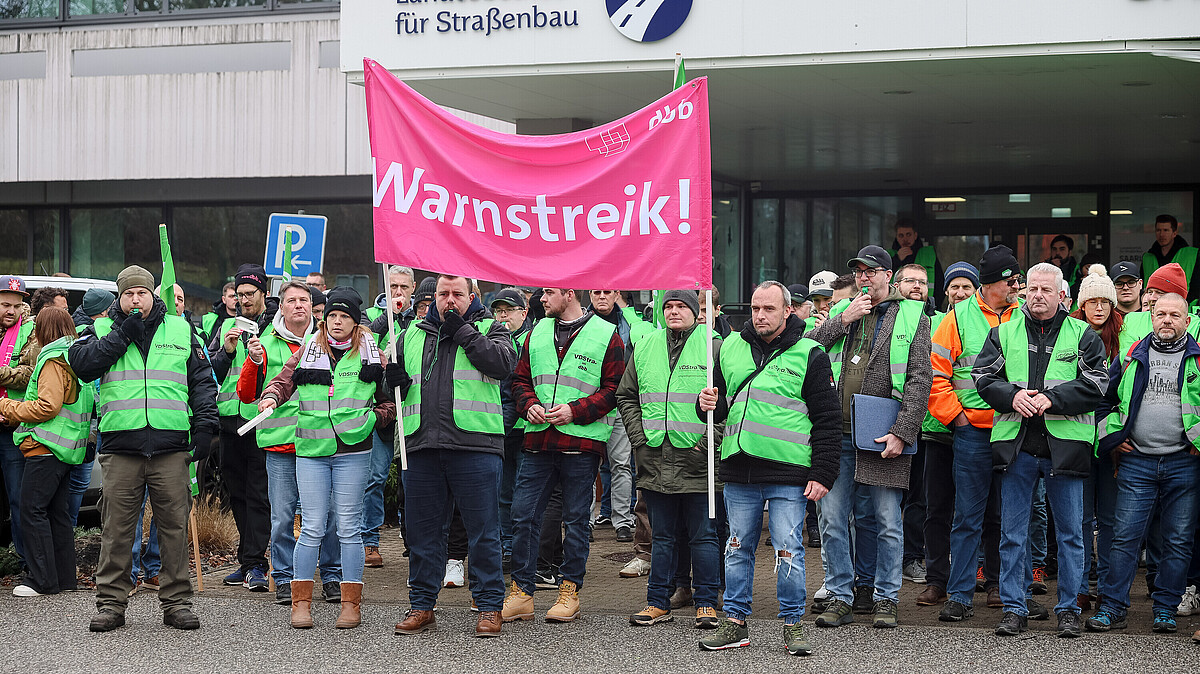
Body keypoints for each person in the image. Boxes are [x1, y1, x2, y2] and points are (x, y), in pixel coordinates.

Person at [69, 264, 218, 632]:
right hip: (122, 448)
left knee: (173, 530)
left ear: (153, 295)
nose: (135, 299)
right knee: (116, 532)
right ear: (119, 297)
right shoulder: (100, 329)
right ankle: (111, 604)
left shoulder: (181, 329)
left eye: (142, 293)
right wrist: (122, 335)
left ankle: (177, 603)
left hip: (170, 446)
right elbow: (83, 366)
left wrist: (205, 426)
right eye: (128, 294)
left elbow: (201, 382)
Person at [696, 281, 840, 655]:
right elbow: (718, 406)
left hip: (788, 471)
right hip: (739, 468)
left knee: (788, 549)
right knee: (736, 547)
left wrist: (823, 473)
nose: (760, 315)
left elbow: (828, 418)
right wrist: (705, 403)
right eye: (755, 308)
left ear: (788, 311)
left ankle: (793, 624)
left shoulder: (810, 353)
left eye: (769, 309)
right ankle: (735, 623)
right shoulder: (730, 347)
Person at [975, 263, 1107, 638]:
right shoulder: (1002, 333)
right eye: (1031, 288)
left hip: (1065, 450)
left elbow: (1098, 382)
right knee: (1012, 535)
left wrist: (1053, 398)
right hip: (1016, 450)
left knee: (1071, 536)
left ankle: (1068, 610)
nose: (1037, 295)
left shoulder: (1083, 335)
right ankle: (1014, 609)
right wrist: (1012, 396)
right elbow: (982, 376)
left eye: (1046, 290)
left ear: (1061, 295)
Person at [807, 248, 932, 630]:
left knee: (887, 521)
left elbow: (920, 378)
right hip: (836, 435)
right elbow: (806, 349)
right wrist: (842, 319)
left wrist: (902, 432)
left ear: (888, 276)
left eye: (871, 271)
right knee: (832, 520)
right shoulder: (843, 311)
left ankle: (886, 598)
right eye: (859, 272)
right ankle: (840, 596)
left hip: (883, 435)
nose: (864, 277)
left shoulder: (911, 315)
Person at [258, 286, 396, 630]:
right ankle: (300, 604)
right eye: (332, 315)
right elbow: (282, 382)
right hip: (312, 450)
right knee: (312, 527)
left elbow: (391, 401)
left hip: (354, 451)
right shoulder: (309, 347)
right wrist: (270, 397)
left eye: (344, 316)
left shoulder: (372, 353)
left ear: (355, 322)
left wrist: (373, 419)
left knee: (349, 528)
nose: (336, 321)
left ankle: (351, 605)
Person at [389, 275, 515, 637]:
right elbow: (394, 390)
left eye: (457, 294)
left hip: (475, 445)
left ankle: (489, 606)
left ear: (471, 297)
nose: (448, 300)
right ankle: (421, 605)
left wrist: (463, 331)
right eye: (443, 293)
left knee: (483, 532)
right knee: (423, 534)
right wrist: (391, 380)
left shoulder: (491, 328)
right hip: (422, 444)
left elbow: (502, 365)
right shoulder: (411, 334)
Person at [501, 287, 625, 624]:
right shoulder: (537, 332)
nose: (541, 299)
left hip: (582, 444)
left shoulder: (606, 334)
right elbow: (519, 380)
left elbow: (614, 389)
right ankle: (522, 593)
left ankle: (569, 591)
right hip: (538, 440)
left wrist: (575, 410)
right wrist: (528, 405)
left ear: (569, 294)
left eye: (549, 293)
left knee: (575, 520)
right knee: (523, 515)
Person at [1091, 292, 1200, 635]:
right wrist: (1113, 438)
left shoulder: (1198, 359)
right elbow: (1103, 402)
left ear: (1187, 320)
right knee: (1124, 538)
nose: (1166, 320)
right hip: (1136, 461)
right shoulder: (1131, 355)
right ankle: (1112, 608)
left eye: (1174, 315)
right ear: (1151, 316)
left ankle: (1166, 609)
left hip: (1184, 463)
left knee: (1178, 541)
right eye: (1160, 313)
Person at [616, 290, 722, 630]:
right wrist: (639, 439)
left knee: (703, 537)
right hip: (655, 457)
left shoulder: (715, 347)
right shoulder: (645, 345)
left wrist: (708, 443)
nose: (674, 311)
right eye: (669, 306)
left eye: (681, 306)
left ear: (695, 311)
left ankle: (706, 603)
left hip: (698, 460)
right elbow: (626, 395)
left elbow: (731, 402)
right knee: (662, 536)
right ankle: (657, 602)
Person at [236, 280, 342, 605]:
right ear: (281, 307)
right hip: (281, 444)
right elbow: (247, 394)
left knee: (330, 516)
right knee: (282, 517)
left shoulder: (330, 342)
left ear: (313, 306)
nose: (298, 305)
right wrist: (253, 362)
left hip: (321, 444)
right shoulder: (264, 343)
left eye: (304, 300)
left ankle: (332, 576)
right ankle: (284, 578)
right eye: (292, 300)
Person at [930, 245, 1022, 622]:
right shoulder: (957, 317)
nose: (1017, 286)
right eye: (1011, 280)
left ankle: (1003, 588)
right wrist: (958, 418)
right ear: (991, 283)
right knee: (968, 516)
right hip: (973, 432)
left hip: (1015, 430)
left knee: (1009, 517)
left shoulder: (1025, 314)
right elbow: (936, 374)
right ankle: (960, 595)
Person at [0, 307, 93, 597]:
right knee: (57, 514)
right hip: (66, 449)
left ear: (43, 330)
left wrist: (6, 407)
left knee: (32, 511)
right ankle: (64, 579)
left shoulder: (52, 359)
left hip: (45, 447)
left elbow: (47, 406)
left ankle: (41, 580)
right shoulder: (76, 357)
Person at [209, 264, 277, 591]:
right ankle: (248, 560)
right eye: (239, 295)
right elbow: (210, 371)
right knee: (236, 492)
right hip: (228, 420)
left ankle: (256, 563)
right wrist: (226, 351)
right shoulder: (225, 326)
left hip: (261, 421)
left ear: (264, 293)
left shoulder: (275, 326)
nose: (244, 300)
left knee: (258, 494)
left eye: (250, 294)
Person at [917, 261, 979, 607]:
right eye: (954, 286)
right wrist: (952, 416)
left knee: (981, 511)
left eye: (966, 287)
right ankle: (937, 579)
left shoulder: (985, 322)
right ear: (945, 292)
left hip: (977, 430)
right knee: (937, 509)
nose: (960, 292)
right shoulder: (935, 324)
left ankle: (983, 576)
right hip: (938, 431)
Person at [1068, 265, 1123, 612]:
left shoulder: (1125, 339)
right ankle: (1079, 587)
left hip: (1113, 444)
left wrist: (1115, 433)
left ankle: (1106, 588)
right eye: (1092, 301)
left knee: (1111, 519)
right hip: (1076, 440)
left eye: (1105, 302)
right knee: (1079, 518)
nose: (1099, 308)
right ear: (1082, 305)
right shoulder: (1069, 333)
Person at [363, 265, 417, 569]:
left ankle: (414, 542)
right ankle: (370, 541)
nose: (398, 293)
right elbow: (364, 341)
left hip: (410, 408)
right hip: (382, 409)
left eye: (403, 287)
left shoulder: (422, 316)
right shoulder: (372, 317)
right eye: (392, 286)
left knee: (412, 479)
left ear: (412, 289)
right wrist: (389, 317)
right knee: (375, 477)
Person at [588, 289, 652, 543]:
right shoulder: (582, 322)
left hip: (619, 404)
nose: (602, 296)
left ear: (616, 294)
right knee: (588, 465)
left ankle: (622, 522)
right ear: (589, 295)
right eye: (596, 292)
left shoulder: (632, 324)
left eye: (607, 292)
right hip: (589, 405)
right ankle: (585, 521)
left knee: (622, 465)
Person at [490, 288, 532, 568]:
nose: (503, 316)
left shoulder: (533, 340)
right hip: (503, 430)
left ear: (524, 313)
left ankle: (524, 549)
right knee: (504, 495)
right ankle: (507, 547)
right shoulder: (493, 341)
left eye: (508, 311)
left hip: (527, 430)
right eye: (498, 311)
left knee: (525, 496)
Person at [0, 275, 36, 565]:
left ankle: (27, 563)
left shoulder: (30, 331)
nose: (11, 311)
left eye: (16, 305)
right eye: (4, 305)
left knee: (18, 498)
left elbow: (28, 374)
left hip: (10, 427)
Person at [1142, 214, 1197, 302]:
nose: (1161, 234)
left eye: (1166, 230)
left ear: (1174, 233)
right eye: (1158, 230)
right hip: (1152, 307)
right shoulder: (1147, 258)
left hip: (1183, 306)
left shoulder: (1192, 254)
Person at [890, 219, 944, 305]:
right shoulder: (890, 255)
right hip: (896, 306)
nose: (905, 239)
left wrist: (934, 307)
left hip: (926, 306)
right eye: (901, 235)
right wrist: (897, 259)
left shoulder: (928, 254)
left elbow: (940, 283)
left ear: (915, 235)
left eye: (908, 234)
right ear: (896, 237)